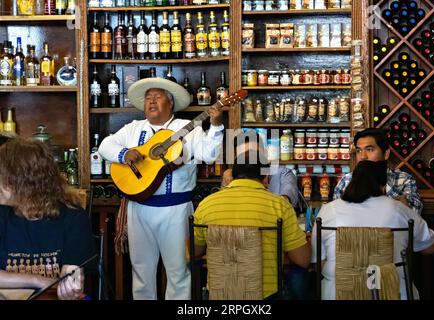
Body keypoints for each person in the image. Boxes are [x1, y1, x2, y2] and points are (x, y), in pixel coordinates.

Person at [98, 77, 224, 300]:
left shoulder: (187, 129)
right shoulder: (134, 128)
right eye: (148, 98)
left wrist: (215, 126)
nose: (151, 102)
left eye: (157, 97)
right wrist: (124, 154)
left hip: (176, 210)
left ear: (171, 103)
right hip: (139, 208)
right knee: (141, 271)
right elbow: (105, 145)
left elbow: (209, 154)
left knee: (178, 273)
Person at [194, 144, 311, 299]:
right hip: (267, 296)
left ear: (232, 175)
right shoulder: (279, 206)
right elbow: (303, 260)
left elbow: (194, 252)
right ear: (265, 177)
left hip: (217, 294)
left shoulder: (206, 205)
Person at [312, 160, 434, 300]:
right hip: (394, 293)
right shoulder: (398, 209)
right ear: (383, 186)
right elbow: (431, 247)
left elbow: (317, 260)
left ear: (352, 182)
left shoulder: (328, 210)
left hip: (337, 293)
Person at [0, 138, 96, 300]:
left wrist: (71, 283)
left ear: (24, 183)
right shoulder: (2, 215)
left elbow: (71, 274)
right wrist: (40, 280)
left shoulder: (73, 219)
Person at [333, 128, 423, 215]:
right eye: (358, 151)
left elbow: (414, 214)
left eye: (369, 149)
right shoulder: (346, 180)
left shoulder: (404, 180)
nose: (363, 156)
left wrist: (380, 185)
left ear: (386, 154)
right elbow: (336, 214)